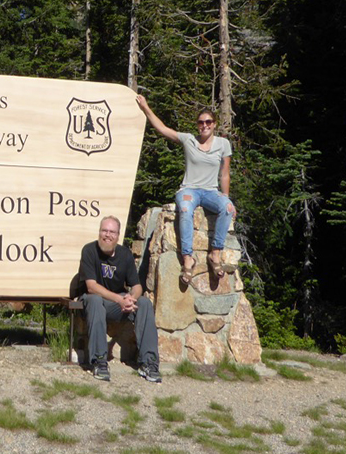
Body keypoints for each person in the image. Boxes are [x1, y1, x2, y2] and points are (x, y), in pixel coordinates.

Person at [136, 96, 236, 285]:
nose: (204, 125)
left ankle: (215, 253)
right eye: (201, 122)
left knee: (228, 208)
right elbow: (164, 129)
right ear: (197, 125)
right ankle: (188, 259)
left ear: (214, 124)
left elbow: (225, 174)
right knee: (185, 209)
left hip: (211, 191)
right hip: (189, 189)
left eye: (208, 122)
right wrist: (145, 107)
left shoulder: (223, 144)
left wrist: (226, 197)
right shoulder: (189, 140)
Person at [77, 216, 161, 383]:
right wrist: (119, 299)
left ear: (117, 235)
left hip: (116, 303)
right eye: (104, 230)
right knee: (94, 300)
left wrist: (131, 298)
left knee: (144, 303)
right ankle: (99, 361)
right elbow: (91, 286)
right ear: (99, 232)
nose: (107, 235)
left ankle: (148, 362)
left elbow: (137, 286)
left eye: (112, 232)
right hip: (94, 302)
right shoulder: (89, 250)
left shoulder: (125, 254)